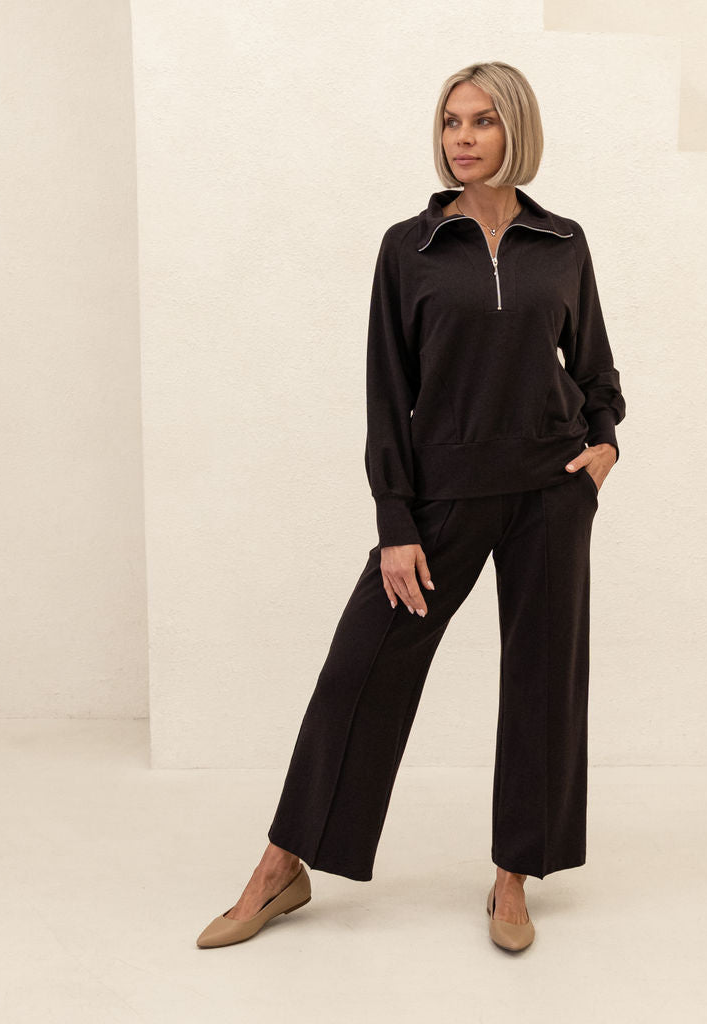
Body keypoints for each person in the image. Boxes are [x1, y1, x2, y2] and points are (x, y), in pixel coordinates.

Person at [197, 60, 625, 953]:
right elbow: (387, 393)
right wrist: (396, 520)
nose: (462, 138)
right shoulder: (411, 247)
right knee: (362, 671)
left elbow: (592, 363)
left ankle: (514, 876)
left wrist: (604, 446)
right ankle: (282, 866)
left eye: (482, 121)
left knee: (544, 682)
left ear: (516, 129)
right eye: (450, 122)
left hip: (550, 491)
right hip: (442, 495)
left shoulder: (563, 242)